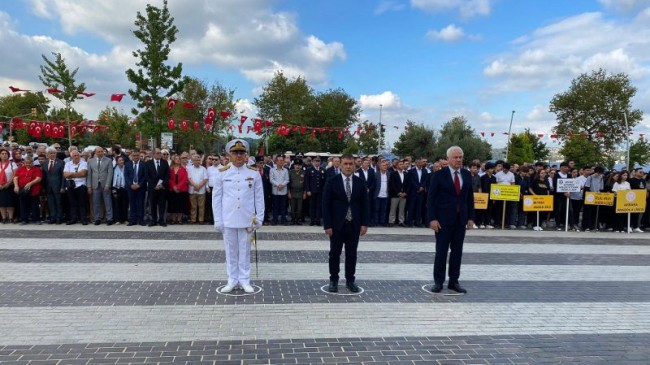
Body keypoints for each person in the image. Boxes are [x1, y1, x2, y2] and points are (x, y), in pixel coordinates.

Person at [213, 139, 264, 293]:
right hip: (228, 218)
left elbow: (259, 197)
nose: (239, 156)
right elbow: (216, 198)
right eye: (235, 153)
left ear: (246, 154)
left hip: (246, 218)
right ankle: (232, 279)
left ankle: (244, 280)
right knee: (230, 251)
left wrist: (259, 218)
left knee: (244, 251)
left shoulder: (253, 173)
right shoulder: (222, 173)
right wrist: (218, 219)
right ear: (229, 154)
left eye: (242, 152)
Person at [427, 146, 475, 294]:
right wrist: (432, 218)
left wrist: (471, 217)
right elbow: (431, 199)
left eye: (460, 157)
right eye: (455, 157)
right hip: (442, 221)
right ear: (448, 159)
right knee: (441, 252)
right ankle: (438, 282)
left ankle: (454, 281)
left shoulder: (467, 175)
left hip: (460, 220)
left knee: (457, 252)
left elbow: (469, 198)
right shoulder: (439, 175)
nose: (459, 160)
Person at [322, 154, 370, 293]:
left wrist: (364, 223)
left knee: (351, 254)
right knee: (334, 254)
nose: (348, 166)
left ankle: (350, 280)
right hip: (337, 224)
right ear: (340, 165)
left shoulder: (360, 182)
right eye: (345, 164)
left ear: (354, 165)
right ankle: (334, 280)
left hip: (354, 224)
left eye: (351, 164)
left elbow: (365, 204)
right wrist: (327, 225)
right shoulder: (332, 181)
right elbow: (326, 204)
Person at [87, 146, 114, 225]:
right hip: (95, 185)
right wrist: (89, 186)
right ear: (95, 152)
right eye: (99, 152)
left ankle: (109, 218)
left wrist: (108, 184)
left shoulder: (108, 160)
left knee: (108, 202)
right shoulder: (90, 161)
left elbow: (110, 173)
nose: (101, 153)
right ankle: (97, 218)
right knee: (96, 203)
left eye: (102, 151)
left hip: (105, 184)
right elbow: (89, 174)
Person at [13, 156, 43, 224]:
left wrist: (30, 183)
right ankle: (24, 219)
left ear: (32, 162)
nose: (28, 164)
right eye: (26, 163)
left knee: (34, 205)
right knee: (23, 205)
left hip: (34, 190)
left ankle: (36, 219)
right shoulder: (20, 169)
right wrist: (16, 186)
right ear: (24, 162)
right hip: (23, 190)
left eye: (30, 163)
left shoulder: (37, 169)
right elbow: (15, 178)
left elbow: (38, 178)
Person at [145, 148, 170, 227]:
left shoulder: (165, 163)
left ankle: (161, 220)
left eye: (160, 153)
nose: (160, 154)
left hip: (162, 188)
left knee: (162, 204)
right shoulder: (148, 163)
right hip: (152, 188)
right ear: (153, 154)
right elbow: (147, 176)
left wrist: (162, 184)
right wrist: (154, 186)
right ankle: (154, 220)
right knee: (152, 205)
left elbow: (167, 175)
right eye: (158, 153)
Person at [63, 150, 89, 225]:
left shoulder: (84, 163)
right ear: (71, 157)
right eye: (75, 155)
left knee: (82, 203)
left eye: (78, 155)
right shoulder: (68, 164)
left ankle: (83, 219)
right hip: (70, 185)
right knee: (72, 203)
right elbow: (65, 175)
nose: (77, 157)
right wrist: (77, 174)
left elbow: (83, 174)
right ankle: (73, 219)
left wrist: (70, 174)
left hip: (81, 185)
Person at [41, 147, 65, 224]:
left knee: (59, 202)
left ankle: (59, 218)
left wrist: (62, 186)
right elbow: (44, 177)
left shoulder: (61, 162)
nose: (53, 155)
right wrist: (44, 187)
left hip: (58, 186)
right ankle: (53, 217)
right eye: (51, 153)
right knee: (50, 203)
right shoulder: (44, 163)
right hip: (48, 187)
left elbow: (63, 176)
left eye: (54, 153)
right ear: (47, 154)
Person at [124, 149, 147, 226]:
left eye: (137, 155)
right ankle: (132, 220)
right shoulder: (127, 164)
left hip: (141, 187)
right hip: (130, 187)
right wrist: (131, 185)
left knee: (140, 204)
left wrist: (139, 185)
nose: (136, 157)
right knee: (132, 203)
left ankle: (141, 220)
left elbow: (145, 176)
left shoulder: (143, 164)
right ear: (131, 156)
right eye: (134, 155)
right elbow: (126, 176)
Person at [187, 155, 208, 224]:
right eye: (196, 160)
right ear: (193, 161)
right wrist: (195, 185)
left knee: (201, 206)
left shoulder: (203, 169)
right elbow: (189, 178)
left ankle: (201, 219)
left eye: (199, 160)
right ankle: (193, 219)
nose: (198, 161)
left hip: (201, 190)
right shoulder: (189, 168)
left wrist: (199, 186)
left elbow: (205, 179)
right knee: (193, 206)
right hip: (192, 189)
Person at [305, 157, 325, 226]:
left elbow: (324, 182)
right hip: (312, 192)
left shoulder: (323, 170)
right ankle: (312, 220)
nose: (317, 162)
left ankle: (318, 220)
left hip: (320, 191)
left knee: (319, 206)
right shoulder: (309, 170)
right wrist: (308, 190)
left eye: (319, 161)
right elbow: (307, 181)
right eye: (316, 161)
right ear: (313, 162)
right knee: (312, 206)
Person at [269, 155, 289, 225]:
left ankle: (283, 220)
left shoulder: (286, 170)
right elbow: (271, 179)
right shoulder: (272, 170)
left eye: (282, 160)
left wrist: (282, 185)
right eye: (280, 160)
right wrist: (278, 184)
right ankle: (275, 220)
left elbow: (287, 179)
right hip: (276, 191)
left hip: (283, 191)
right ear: (276, 161)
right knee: (275, 207)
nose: (281, 162)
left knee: (283, 206)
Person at [0, 148, 18, 223]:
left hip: (10, 185)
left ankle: (11, 218)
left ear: (8, 155)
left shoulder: (12, 164)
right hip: (0, 186)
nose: (4, 155)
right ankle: (4, 218)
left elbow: (15, 174)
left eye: (6, 154)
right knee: (1, 203)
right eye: (2, 154)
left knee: (10, 202)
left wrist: (8, 183)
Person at [111, 156, 129, 224]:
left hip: (124, 188)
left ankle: (125, 219)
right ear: (117, 162)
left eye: (122, 160)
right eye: (120, 160)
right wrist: (113, 190)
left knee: (125, 204)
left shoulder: (126, 168)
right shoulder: (114, 169)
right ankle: (117, 219)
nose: (122, 161)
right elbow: (112, 180)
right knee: (117, 204)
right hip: (116, 188)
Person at [288, 159, 305, 225]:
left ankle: (298, 219)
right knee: (293, 207)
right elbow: (288, 183)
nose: (297, 166)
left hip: (300, 192)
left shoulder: (303, 172)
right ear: (294, 165)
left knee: (299, 207)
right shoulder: (290, 172)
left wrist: (304, 193)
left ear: (301, 166)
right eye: (296, 165)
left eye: (299, 165)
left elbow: (305, 183)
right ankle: (293, 219)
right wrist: (288, 192)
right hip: (293, 191)